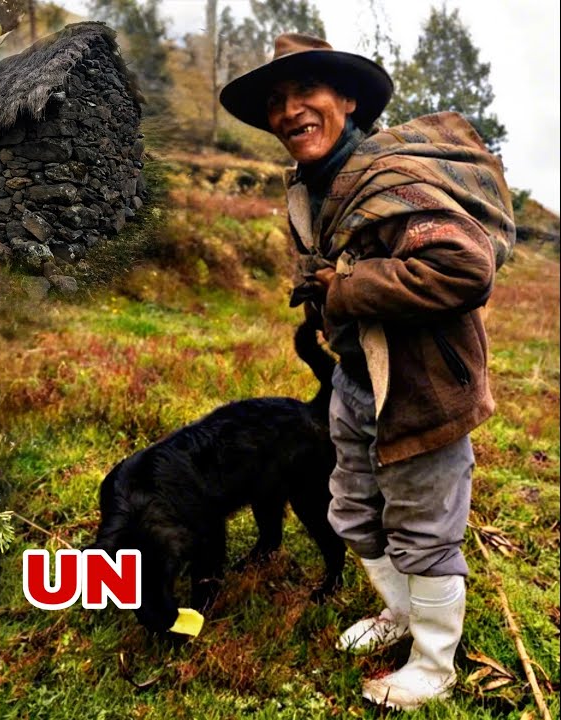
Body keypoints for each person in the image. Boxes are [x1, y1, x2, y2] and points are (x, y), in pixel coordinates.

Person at [220, 34, 514, 710]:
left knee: (423, 527)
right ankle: (401, 613)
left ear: (347, 100)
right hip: (357, 379)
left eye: (305, 94)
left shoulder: (391, 177)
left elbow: (464, 267)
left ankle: (434, 663)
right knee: (352, 508)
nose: (289, 111)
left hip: (423, 387)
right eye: (275, 102)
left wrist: (346, 290)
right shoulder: (313, 185)